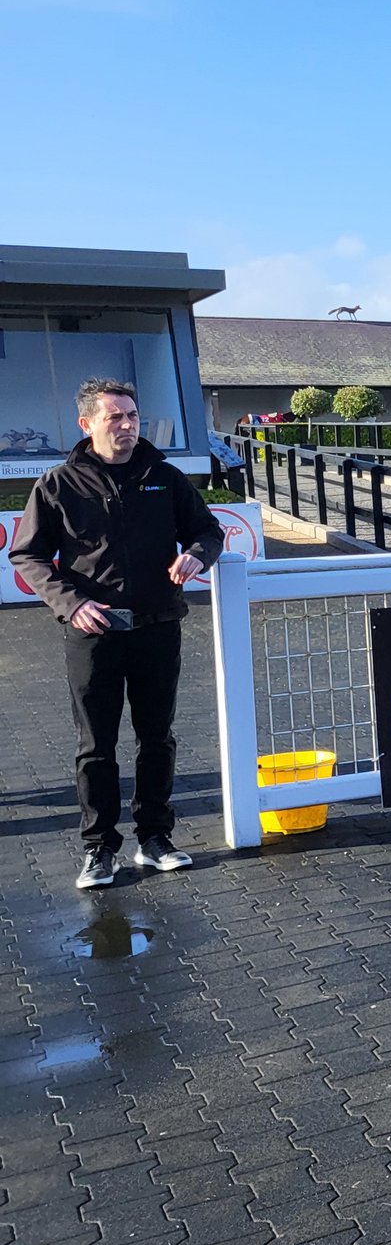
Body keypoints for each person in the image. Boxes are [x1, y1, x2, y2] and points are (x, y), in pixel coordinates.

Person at [10, 379, 225, 890]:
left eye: (132, 416)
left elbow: (209, 531)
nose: (128, 426)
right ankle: (99, 849)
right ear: (87, 424)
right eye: (116, 418)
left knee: (157, 737)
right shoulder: (58, 484)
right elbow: (28, 555)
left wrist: (198, 554)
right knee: (96, 746)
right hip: (94, 633)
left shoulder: (164, 478)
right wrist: (72, 603)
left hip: (158, 629)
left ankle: (155, 839)